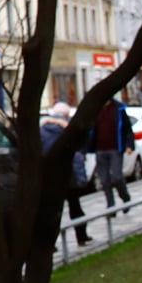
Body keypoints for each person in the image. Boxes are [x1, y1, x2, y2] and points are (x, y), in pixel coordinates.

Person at [41, 103, 91, 246]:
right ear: (66, 115)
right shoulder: (68, 131)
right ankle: (81, 236)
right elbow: (76, 157)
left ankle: (50, 243)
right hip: (68, 176)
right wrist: (81, 179)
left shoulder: (42, 130)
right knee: (75, 207)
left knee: (53, 211)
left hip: (49, 176)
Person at [89, 96, 134, 212]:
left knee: (117, 177)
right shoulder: (95, 109)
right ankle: (111, 206)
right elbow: (89, 130)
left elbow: (127, 128)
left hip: (115, 148)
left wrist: (129, 145)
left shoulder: (118, 109)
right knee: (104, 180)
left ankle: (125, 198)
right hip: (100, 149)